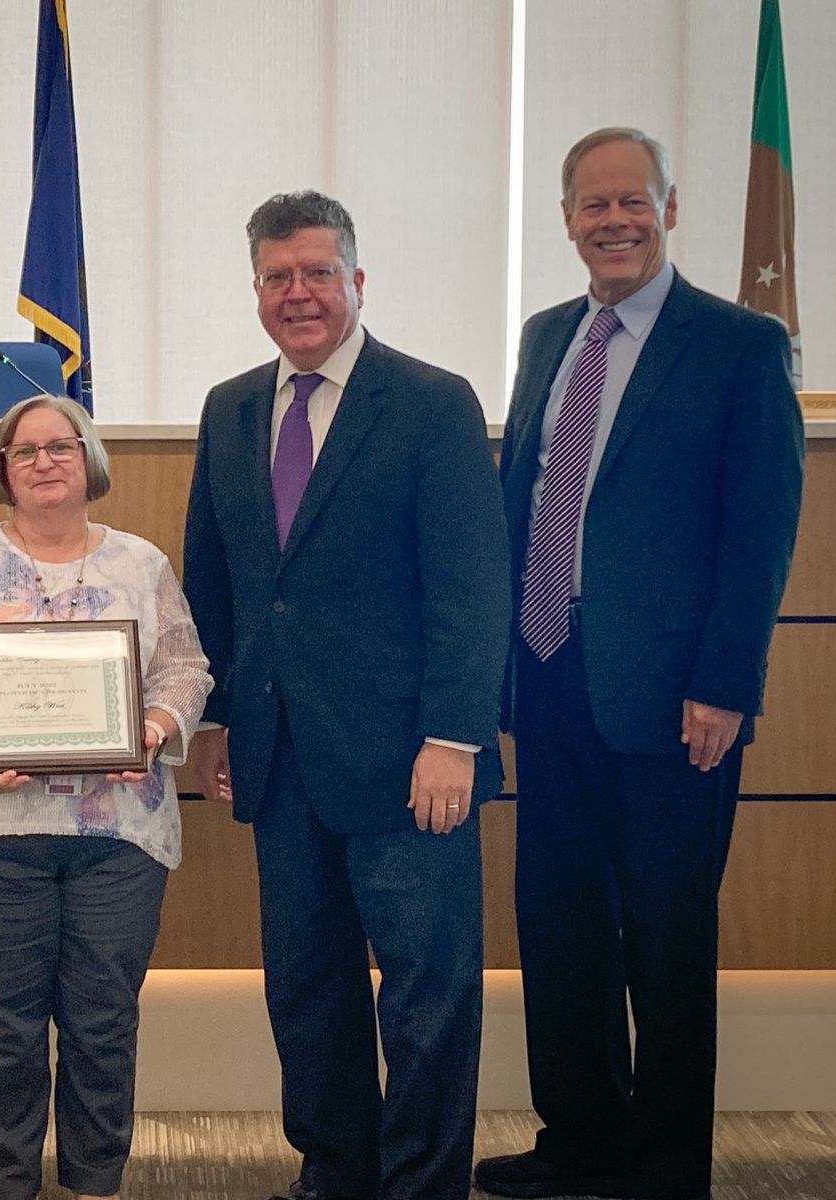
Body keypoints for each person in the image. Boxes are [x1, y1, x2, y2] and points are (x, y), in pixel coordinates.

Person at [474, 128, 804, 1200]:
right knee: (559, 930)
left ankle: (663, 1173)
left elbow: (758, 530)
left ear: (671, 205)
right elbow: (525, 495)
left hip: (672, 701)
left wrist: (725, 683)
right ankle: (578, 1147)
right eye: (591, 205)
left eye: (634, 202)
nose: (613, 221)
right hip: (547, 674)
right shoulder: (542, 337)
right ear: (565, 218)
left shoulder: (739, 345)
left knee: (664, 945)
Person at [182, 191, 510, 1200]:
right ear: (255, 291)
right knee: (308, 992)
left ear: (357, 282)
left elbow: (471, 584)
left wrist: (454, 737)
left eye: (318, 273)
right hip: (281, 763)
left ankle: (418, 1188)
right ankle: (334, 1171)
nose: (299, 294)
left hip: (410, 766)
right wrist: (214, 716)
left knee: (426, 998)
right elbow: (217, 579)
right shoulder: (230, 407)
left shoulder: (430, 401)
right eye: (278, 277)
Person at [0, 394, 211, 1200]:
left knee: (103, 1027)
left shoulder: (140, 565)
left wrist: (149, 727)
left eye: (60, 447)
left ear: (89, 459)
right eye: (23, 450)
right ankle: (8, 1186)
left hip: (115, 842)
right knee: (1, 1034)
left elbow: (184, 669)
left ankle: (94, 1185)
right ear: (1, 468)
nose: (43, 462)